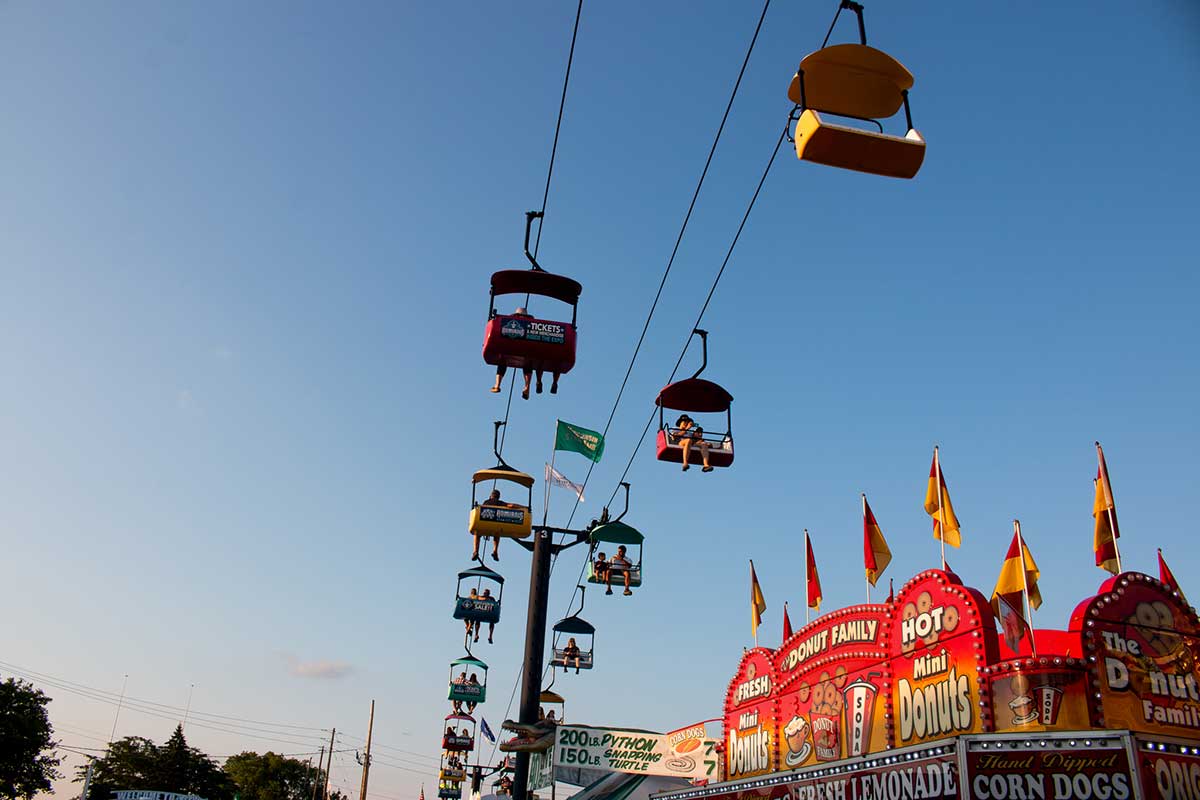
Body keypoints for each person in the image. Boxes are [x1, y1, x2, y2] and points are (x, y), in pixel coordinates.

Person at [491, 308, 536, 400]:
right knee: (528, 363)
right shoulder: (531, 321)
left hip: (511, 345)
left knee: (502, 361)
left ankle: (497, 385)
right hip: (525, 347)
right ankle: (527, 387)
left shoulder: (511, 320)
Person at [471, 489, 505, 562]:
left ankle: (475, 551)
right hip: (495, 525)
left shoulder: (486, 502)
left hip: (485, 523)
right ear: (498, 497)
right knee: (497, 533)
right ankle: (495, 550)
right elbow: (510, 505)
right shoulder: (500, 503)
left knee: (477, 533)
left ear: (491, 496)